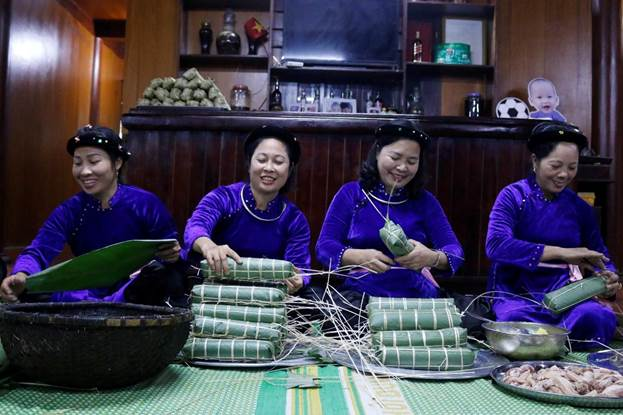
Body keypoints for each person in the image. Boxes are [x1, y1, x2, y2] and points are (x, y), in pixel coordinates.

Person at [0, 125, 182, 304]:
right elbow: (39, 249)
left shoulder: (144, 203)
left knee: (164, 277)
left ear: (117, 163)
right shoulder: (71, 209)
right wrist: (21, 275)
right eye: (77, 163)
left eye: (93, 161)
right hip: (85, 290)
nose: (84, 171)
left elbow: (169, 248)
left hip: (133, 286)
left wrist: (170, 255)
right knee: (28, 290)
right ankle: (104, 305)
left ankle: (108, 304)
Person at [486, 123, 620, 348]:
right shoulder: (512, 196)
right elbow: (496, 245)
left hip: (565, 294)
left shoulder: (579, 208)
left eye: (572, 167)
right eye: (556, 165)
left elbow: (601, 257)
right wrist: (564, 253)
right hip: (517, 292)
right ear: (535, 161)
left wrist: (609, 276)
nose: (564, 174)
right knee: (512, 321)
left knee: (598, 317)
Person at [316, 122, 464, 299]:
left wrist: (432, 258)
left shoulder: (425, 201)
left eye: (411, 161)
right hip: (360, 296)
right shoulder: (351, 194)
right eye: (395, 158)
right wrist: (358, 257)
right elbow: (324, 247)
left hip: (416, 295)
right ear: (378, 153)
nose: (402, 167)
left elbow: (455, 251)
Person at [183, 125, 311, 294]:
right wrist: (210, 247)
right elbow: (195, 227)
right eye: (262, 159)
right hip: (214, 287)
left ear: (290, 169)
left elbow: (300, 266)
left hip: (264, 294)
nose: (269, 168)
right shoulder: (225, 197)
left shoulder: (294, 219)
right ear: (249, 163)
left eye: (279, 162)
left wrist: (298, 278)